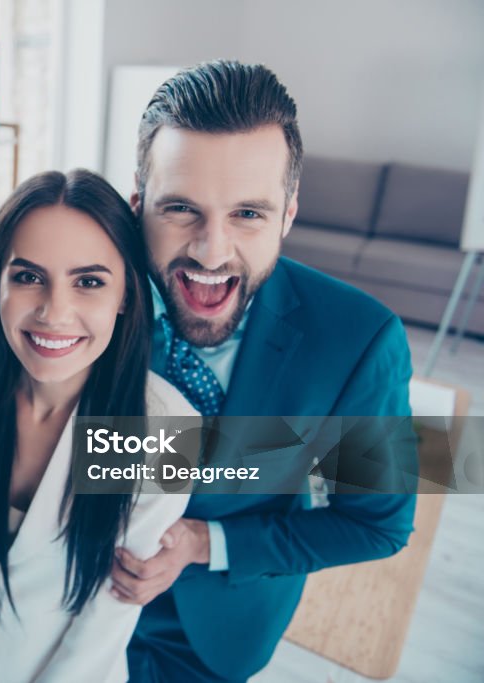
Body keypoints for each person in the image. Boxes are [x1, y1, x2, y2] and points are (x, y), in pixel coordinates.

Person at [110, 60, 418, 682]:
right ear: (138, 204)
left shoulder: (363, 339)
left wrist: (203, 543)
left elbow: (378, 525)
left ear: (288, 214)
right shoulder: (78, 301)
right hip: (62, 613)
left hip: (216, 636)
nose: (211, 251)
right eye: (181, 209)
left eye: (248, 214)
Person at [0, 169, 195, 683]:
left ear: (127, 295)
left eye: (88, 282)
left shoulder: (164, 428)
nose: (54, 312)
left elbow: (104, 620)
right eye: (27, 276)